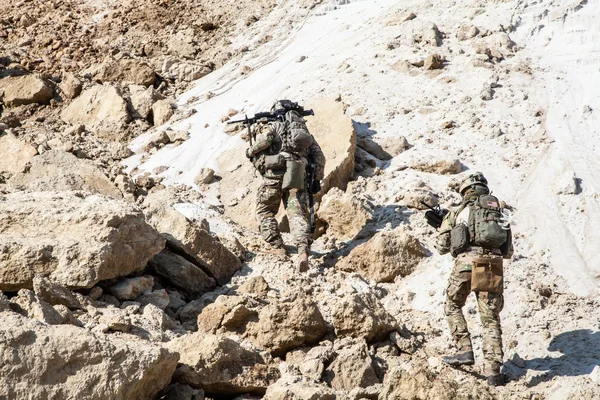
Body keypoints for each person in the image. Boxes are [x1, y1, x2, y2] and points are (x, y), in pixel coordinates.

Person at [434, 172, 513, 386]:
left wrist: (442, 226)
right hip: (491, 265)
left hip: (465, 265)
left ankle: (464, 351)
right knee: (490, 318)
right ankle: (494, 373)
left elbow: (441, 246)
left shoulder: (459, 210)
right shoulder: (499, 211)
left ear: (465, 190)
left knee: (452, 305)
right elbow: (508, 252)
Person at [245, 100, 326, 272]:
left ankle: (277, 246)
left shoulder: (275, 125)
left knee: (265, 209)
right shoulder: (303, 131)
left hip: (274, 174)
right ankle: (302, 251)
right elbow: (319, 156)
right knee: (296, 213)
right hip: (297, 172)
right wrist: (317, 179)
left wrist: (250, 152)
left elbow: (264, 141)